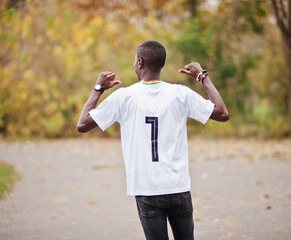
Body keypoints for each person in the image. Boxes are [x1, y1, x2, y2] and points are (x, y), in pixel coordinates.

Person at [77, 40, 229, 240]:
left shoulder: (124, 97)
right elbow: (221, 113)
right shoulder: (179, 94)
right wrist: (203, 77)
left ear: (140, 63)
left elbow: (83, 124)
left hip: (147, 189)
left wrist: (98, 89)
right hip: (178, 187)